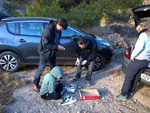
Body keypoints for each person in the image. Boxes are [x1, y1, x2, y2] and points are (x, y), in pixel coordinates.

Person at [116, 22, 150, 100]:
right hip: (145, 61)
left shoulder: (143, 35)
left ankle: (124, 94)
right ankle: (131, 92)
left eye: (138, 30)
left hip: (138, 60)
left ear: (141, 28)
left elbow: (139, 48)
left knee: (129, 76)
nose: (138, 31)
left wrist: (132, 56)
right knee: (137, 76)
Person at [33, 18, 68, 92]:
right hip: (44, 52)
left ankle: (53, 81)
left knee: (53, 67)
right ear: (57, 24)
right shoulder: (48, 30)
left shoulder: (58, 30)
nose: (61, 30)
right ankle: (35, 83)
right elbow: (45, 44)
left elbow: (56, 39)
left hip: (53, 51)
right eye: (61, 29)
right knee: (41, 68)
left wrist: (57, 45)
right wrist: (57, 47)